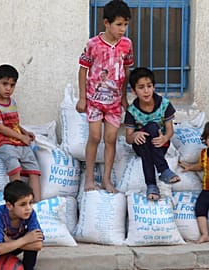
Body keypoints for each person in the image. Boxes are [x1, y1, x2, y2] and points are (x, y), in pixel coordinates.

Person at [76, 0, 134, 193]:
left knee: (110, 139)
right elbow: (83, 71)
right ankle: (90, 178)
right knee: (94, 136)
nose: (122, 29)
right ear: (106, 23)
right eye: (119, 24)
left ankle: (107, 180)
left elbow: (126, 71)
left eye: (125, 24)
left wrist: (124, 98)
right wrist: (82, 98)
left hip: (115, 103)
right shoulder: (93, 44)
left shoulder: (126, 45)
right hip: (94, 100)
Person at [0, 64, 41, 202]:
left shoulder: (12, 102)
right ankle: (18, 202)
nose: (8, 88)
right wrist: (21, 137)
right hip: (4, 143)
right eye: (5, 84)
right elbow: (0, 128)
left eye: (12, 85)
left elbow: (14, 123)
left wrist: (25, 132)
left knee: (34, 169)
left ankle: (37, 204)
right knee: (15, 169)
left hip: (19, 142)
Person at [124, 67, 180, 200]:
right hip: (141, 144)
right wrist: (134, 136)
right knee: (150, 129)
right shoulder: (132, 111)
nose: (146, 90)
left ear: (154, 87)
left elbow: (170, 131)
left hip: (160, 143)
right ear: (134, 90)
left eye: (149, 86)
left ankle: (151, 186)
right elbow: (128, 138)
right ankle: (164, 171)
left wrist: (165, 137)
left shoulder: (164, 104)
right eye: (141, 87)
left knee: (153, 130)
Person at [0, 180, 44, 270]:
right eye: (23, 204)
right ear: (9, 206)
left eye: (30, 203)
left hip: (9, 243)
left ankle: (28, 268)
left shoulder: (30, 213)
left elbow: (38, 245)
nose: (28, 208)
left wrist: (10, 241)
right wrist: (25, 240)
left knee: (32, 237)